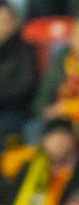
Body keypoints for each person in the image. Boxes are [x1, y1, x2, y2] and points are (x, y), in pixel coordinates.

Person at [0, 6, 39, 146]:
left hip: (16, 111)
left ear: (15, 24)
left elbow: (26, 86)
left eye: (4, 21)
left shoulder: (26, 50)